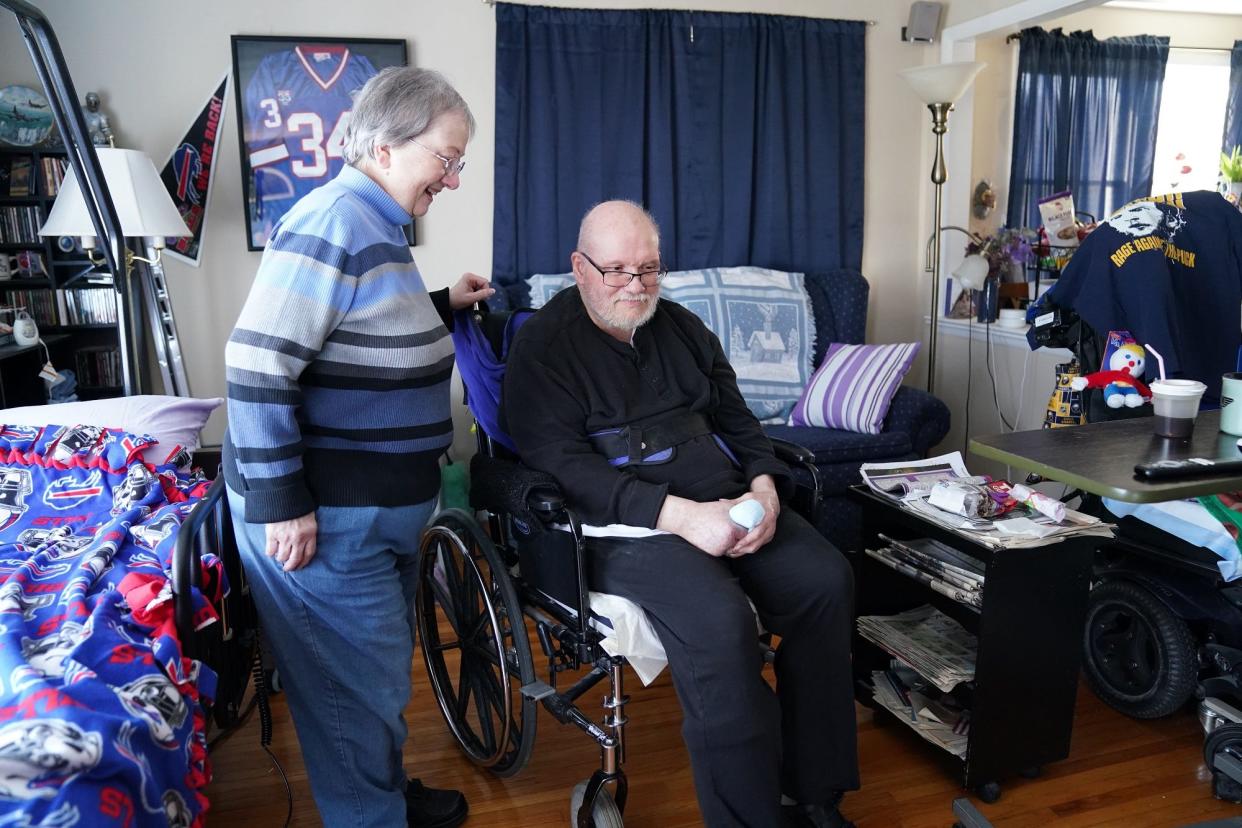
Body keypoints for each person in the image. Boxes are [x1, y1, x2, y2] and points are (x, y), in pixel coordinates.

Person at [502, 201, 859, 828]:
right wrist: (681, 517)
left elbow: (739, 422)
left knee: (825, 581)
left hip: (726, 496)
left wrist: (766, 488)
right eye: (617, 271)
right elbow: (563, 467)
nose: (636, 287)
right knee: (721, 624)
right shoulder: (542, 348)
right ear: (579, 268)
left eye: (649, 269)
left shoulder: (684, 327)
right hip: (628, 523)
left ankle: (815, 790)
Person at [223, 67, 493, 828]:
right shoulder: (335, 218)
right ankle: (368, 815)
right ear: (384, 144)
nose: (454, 177)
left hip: (368, 512)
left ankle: (376, 792)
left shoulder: (375, 224)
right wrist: (282, 502)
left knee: (369, 683)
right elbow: (256, 360)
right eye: (447, 157)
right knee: (351, 689)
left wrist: (442, 304)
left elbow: (355, 331)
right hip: (327, 517)